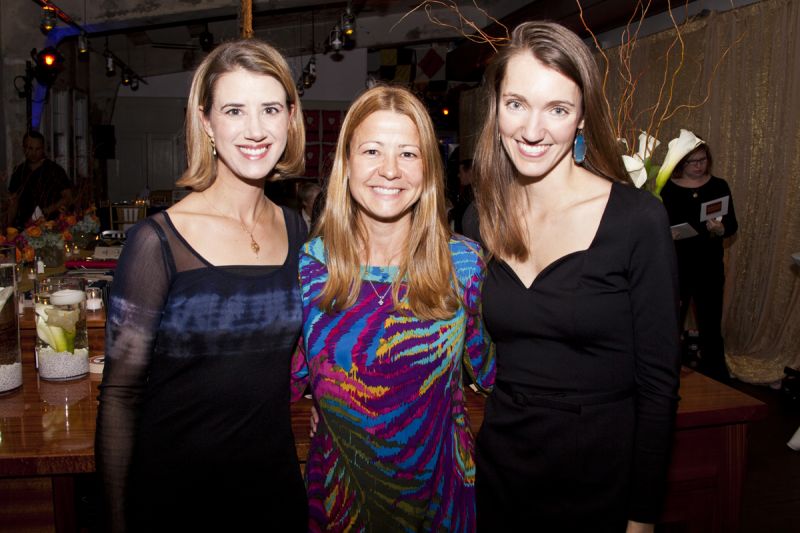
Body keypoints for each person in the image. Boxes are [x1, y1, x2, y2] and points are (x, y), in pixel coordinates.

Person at [462, 22, 681, 532]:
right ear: (494, 108)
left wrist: (642, 516)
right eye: (516, 103)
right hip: (502, 468)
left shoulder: (635, 219)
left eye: (557, 109)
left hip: (599, 478)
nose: (533, 130)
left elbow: (658, 386)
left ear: (582, 119)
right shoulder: (480, 218)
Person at [96, 39, 308, 532]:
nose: (255, 130)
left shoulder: (300, 232)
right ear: (207, 123)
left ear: (290, 118)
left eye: (270, 109)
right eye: (235, 110)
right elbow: (120, 396)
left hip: (273, 492)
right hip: (178, 498)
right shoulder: (157, 242)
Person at [292, 85, 495, 531]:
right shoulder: (311, 266)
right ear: (346, 165)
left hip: (439, 498)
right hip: (342, 502)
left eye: (408, 154)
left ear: (428, 170)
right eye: (371, 151)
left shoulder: (463, 263)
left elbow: (494, 371)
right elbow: (288, 380)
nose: (389, 171)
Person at [660, 143, 738, 380]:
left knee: (710, 324)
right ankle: (666, 373)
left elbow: (732, 225)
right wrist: (665, 233)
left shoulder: (718, 186)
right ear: (680, 163)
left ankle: (716, 376)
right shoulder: (665, 189)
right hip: (675, 265)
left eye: (703, 160)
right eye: (693, 161)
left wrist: (720, 228)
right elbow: (653, 223)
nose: (699, 166)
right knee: (670, 322)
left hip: (708, 265)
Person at [7, 131, 72, 227]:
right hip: (25, 225)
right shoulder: (19, 171)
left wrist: (47, 210)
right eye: (30, 148)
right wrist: (8, 226)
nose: (34, 153)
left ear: (43, 149)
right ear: (24, 148)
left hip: (51, 224)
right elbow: (13, 201)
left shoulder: (54, 170)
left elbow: (68, 197)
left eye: (37, 149)